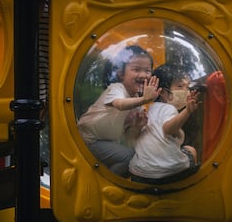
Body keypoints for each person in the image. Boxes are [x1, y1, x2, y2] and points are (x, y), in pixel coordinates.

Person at [77, 45, 161, 177]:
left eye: (148, 71)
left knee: (133, 156)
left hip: (107, 142)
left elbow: (128, 138)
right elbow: (120, 104)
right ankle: (106, 182)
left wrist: (137, 126)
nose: (143, 75)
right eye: (136, 69)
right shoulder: (117, 88)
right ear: (121, 74)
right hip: (88, 139)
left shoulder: (137, 102)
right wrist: (144, 99)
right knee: (130, 158)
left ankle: (104, 177)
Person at [128, 64, 201, 184]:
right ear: (163, 93)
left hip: (140, 172)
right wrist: (187, 111)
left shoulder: (151, 110)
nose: (186, 91)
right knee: (190, 150)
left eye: (188, 87)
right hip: (169, 173)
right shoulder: (168, 109)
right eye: (180, 86)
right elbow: (168, 129)